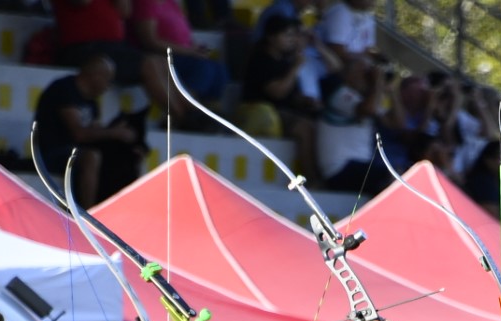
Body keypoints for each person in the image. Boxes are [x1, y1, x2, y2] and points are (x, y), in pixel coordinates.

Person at [32, 56, 141, 207]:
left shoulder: (91, 100)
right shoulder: (64, 89)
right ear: (95, 75)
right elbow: (79, 133)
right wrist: (114, 132)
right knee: (92, 156)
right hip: (52, 152)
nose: (108, 86)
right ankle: (88, 213)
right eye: (108, 80)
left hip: (74, 152)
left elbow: (95, 132)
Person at [50, 0, 174, 122]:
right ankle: (181, 115)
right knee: (149, 65)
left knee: (160, 62)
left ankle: (188, 113)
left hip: (113, 47)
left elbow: (125, 11)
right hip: (83, 47)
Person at [238, 13, 319, 172]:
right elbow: (277, 93)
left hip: (283, 110)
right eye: (286, 35)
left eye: (293, 35)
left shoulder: (284, 62)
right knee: (305, 128)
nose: (291, 40)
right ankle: (310, 178)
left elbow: (290, 95)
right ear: (271, 37)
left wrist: (306, 101)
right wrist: (296, 68)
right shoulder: (261, 59)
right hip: (262, 111)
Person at [128, 0, 227, 119]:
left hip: (184, 53)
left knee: (219, 69)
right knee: (202, 68)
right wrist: (190, 52)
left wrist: (195, 49)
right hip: (163, 54)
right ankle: (191, 112)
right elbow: (150, 41)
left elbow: (186, 35)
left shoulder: (171, 3)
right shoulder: (146, 3)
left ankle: (209, 111)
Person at [316, 56, 392, 196]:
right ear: (348, 74)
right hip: (339, 169)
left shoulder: (368, 98)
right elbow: (367, 110)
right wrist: (377, 83)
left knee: (402, 173)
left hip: (360, 166)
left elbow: (395, 124)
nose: (366, 76)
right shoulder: (339, 94)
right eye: (363, 71)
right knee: (388, 177)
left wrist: (391, 90)